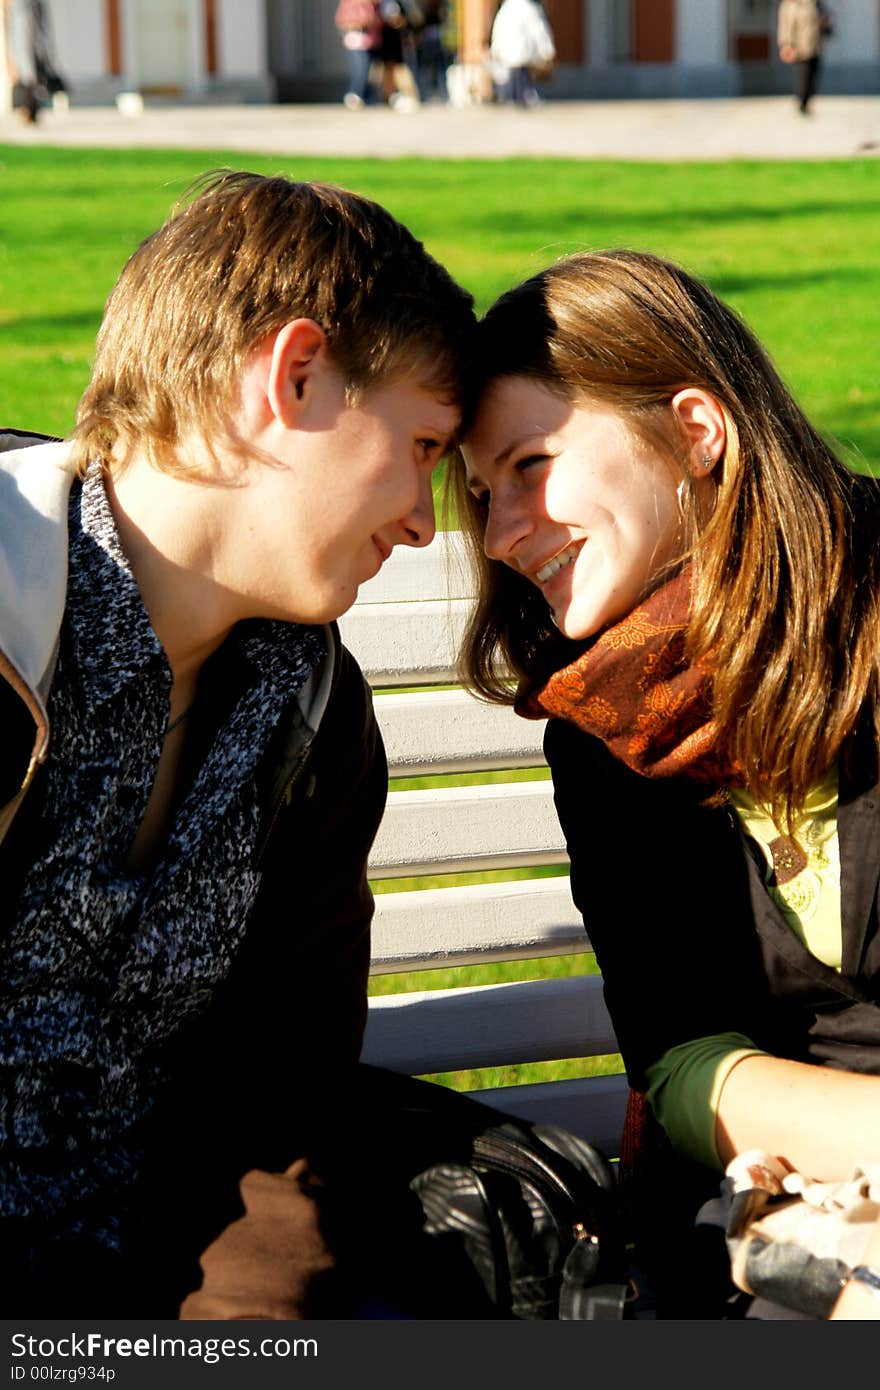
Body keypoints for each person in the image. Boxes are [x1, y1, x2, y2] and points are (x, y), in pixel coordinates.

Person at [0, 170, 475, 1317]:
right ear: (293, 374)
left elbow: (281, 1101)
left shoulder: (307, 714)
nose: (423, 517)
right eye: (419, 443)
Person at [451, 249, 880, 1319]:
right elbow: (681, 1053)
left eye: (531, 464)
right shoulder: (600, 723)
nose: (501, 535)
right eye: (480, 496)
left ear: (695, 428)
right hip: (786, 1192)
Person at [489, 0, 555, 108]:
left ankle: (508, 99)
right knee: (523, 85)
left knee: (509, 84)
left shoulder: (505, 9)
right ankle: (524, 99)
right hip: (523, 56)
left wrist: (495, 49)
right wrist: (547, 50)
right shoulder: (531, 9)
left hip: (508, 56)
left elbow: (498, 31)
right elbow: (539, 31)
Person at [777, 0, 832, 115]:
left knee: (814, 75)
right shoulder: (792, 5)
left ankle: (807, 100)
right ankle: (802, 102)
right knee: (803, 76)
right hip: (801, 47)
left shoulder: (817, 4)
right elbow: (786, 26)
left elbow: (825, 22)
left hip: (816, 46)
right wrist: (786, 44)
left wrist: (827, 24)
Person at [334, 0, 382, 109]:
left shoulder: (374, 5)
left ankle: (367, 97)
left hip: (372, 41)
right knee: (360, 69)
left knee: (371, 72)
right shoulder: (351, 3)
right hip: (356, 40)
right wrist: (363, 22)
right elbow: (342, 20)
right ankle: (355, 94)